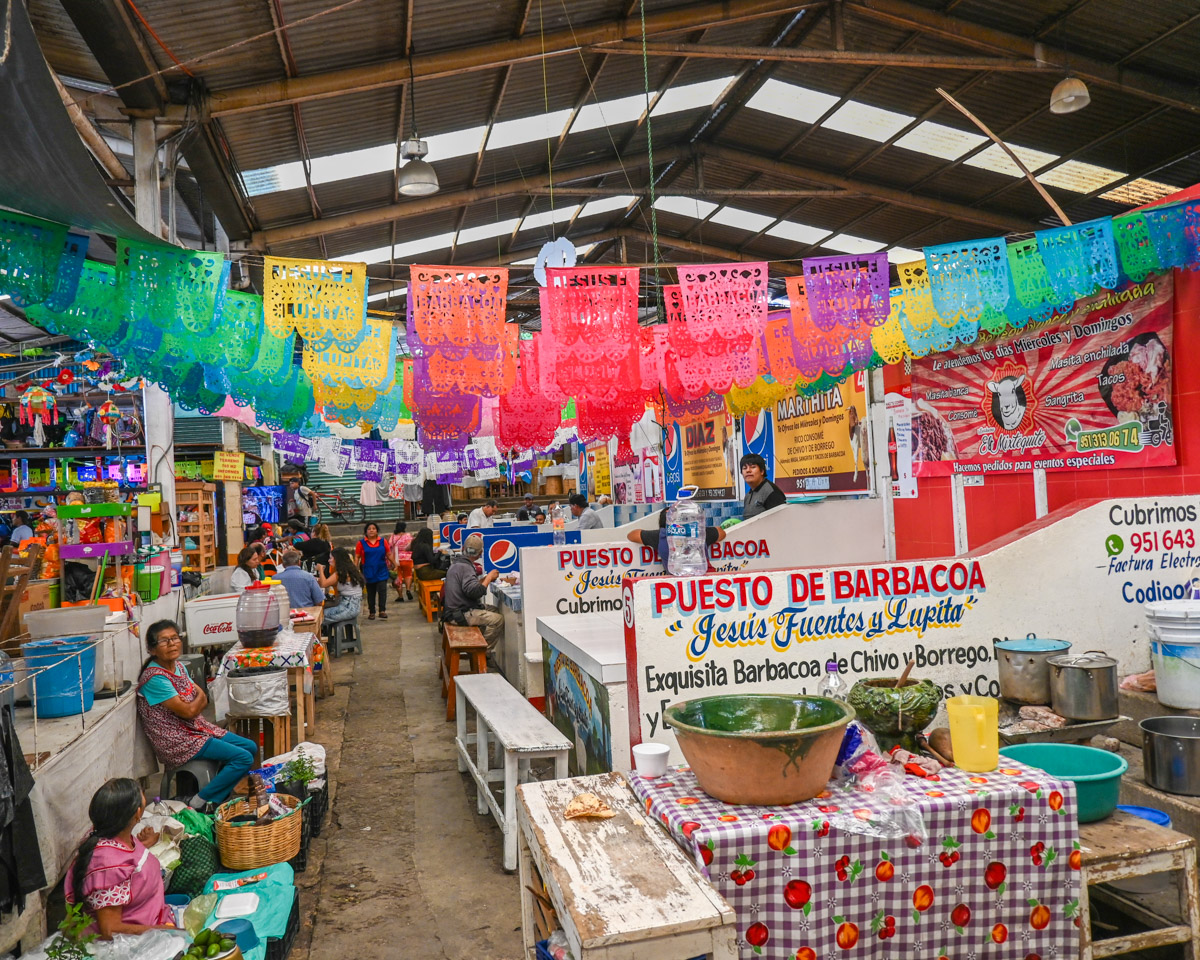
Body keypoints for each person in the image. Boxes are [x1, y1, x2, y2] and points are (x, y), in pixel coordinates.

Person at [136, 621, 257, 809]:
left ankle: (217, 793)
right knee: (243, 758)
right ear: (152, 650)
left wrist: (197, 700)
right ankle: (199, 801)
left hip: (195, 728)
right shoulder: (155, 678)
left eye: (175, 638)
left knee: (250, 746)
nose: (172, 644)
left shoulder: (178, 667)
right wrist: (197, 699)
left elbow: (203, 699)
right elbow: (190, 709)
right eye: (164, 641)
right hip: (176, 740)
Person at [64, 779, 174, 938]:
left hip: (152, 918)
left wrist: (146, 844)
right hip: (131, 944)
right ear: (137, 813)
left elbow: (125, 856)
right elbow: (111, 930)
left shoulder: (104, 832)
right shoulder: (108, 867)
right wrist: (168, 932)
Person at [442, 534, 503, 650]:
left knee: (495, 610)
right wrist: (489, 578)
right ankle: (483, 652)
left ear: (463, 549)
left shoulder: (457, 563)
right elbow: (474, 592)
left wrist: (483, 580)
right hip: (459, 614)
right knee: (498, 620)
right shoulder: (466, 567)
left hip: (453, 610)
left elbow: (466, 587)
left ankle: (480, 643)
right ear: (480, 553)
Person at [628, 509, 726, 569]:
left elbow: (632, 535)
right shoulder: (696, 532)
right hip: (706, 578)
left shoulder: (660, 535)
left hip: (679, 581)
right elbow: (721, 533)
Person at [316, 547, 366, 626]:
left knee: (318, 616)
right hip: (352, 607)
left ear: (337, 559)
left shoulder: (340, 573)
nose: (329, 560)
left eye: (330, 558)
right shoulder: (350, 570)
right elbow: (329, 583)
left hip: (347, 608)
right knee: (323, 609)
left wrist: (320, 570)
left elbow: (323, 584)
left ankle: (324, 636)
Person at [355, 522, 391, 620]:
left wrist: (395, 564)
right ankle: (372, 612)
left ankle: (382, 610)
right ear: (366, 531)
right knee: (371, 592)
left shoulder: (383, 541)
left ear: (377, 531)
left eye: (373, 528)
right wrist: (355, 568)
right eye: (369, 529)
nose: (371, 530)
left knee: (382, 590)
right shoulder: (361, 543)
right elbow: (357, 556)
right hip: (368, 571)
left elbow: (388, 554)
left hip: (381, 569)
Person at [741, 453, 787, 519]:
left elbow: (780, 520)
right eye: (744, 468)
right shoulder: (748, 496)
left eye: (753, 467)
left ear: (762, 471)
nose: (748, 470)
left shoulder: (771, 491)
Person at [388, 521, 414, 602]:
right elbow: (412, 545)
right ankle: (408, 589)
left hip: (396, 560)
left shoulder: (392, 537)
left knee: (397, 577)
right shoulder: (408, 536)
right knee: (408, 574)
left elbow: (389, 547)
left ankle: (400, 596)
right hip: (408, 559)